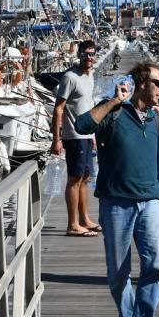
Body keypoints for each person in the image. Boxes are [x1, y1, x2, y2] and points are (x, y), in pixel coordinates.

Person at [75, 61, 159, 317]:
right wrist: (115, 100)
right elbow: (82, 125)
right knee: (118, 271)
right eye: (158, 83)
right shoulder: (114, 112)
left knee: (154, 266)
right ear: (142, 83)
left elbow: (157, 164)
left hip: (151, 200)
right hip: (116, 202)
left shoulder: (154, 117)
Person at [51, 40, 100, 237]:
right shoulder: (70, 77)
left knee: (86, 178)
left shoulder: (90, 76)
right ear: (79, 55)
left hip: (87, 134)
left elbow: (88, 106)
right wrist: (57, 139)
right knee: (75, 178)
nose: (89, 58)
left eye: (92, 54)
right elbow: (58, 108)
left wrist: (94, 134)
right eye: (85, 54)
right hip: (74, 135)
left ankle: (84, 219)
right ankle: (72, 224)